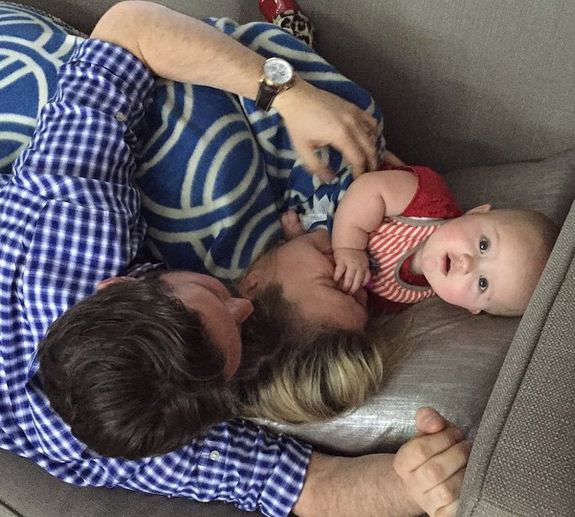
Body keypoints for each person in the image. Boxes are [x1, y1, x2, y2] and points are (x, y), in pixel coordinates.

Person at [0, 2, 468, 516]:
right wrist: (417, 485)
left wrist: (287, 94)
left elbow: (124, 32)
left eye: (215, 294)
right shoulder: (142, 431)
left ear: (117, 285)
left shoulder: (67, 224)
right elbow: (309, 488)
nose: (242, 305)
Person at [328, 164, 559, 315]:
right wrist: (348, 247)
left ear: (472, 308)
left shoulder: (414, 297)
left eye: (482, 283)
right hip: (332, 188)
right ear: (476, 213)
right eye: (483, 245)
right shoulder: (426, 201)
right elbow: (369, 188)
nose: (467, 264)